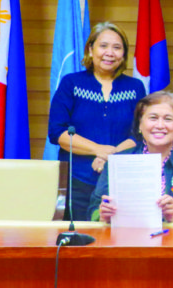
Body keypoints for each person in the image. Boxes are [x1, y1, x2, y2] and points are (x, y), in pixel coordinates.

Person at [48, 22, 146, 221]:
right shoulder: (72, 83)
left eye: (117, 48)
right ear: (91, 50)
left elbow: (140, 134)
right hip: (77, 181)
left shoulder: (135, 87)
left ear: (123, 54)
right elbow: (57, 132)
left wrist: (109, 155)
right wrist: (97, 149)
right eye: (103, 46)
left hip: (121, 180)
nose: (110, 53)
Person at [89, 91, 173, 222]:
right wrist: (103, 215)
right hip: (126, 238)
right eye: (153, 118)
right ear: (140, 124)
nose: (160, 126)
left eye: (168, 119)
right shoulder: (117, 162)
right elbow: (93, 210)